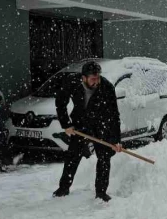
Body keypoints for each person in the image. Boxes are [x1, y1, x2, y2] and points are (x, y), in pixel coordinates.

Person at [52, 61, 123, 202]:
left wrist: (116, 140)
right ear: (83, 78)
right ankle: (64, 188)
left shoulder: (107, 87)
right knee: (72, 157)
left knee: (104, 158)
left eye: (98, 78)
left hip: (100, 125)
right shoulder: (73, 83)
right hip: (80, 124)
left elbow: (114, 115)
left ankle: (101, 192)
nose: (96, 82)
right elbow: (60, 102)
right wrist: (66, 124)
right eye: (93, 79)